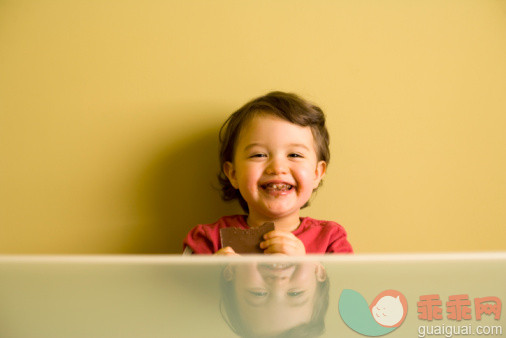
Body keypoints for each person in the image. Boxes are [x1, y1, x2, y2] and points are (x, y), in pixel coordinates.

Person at [183, 91, 352, 255]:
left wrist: (307, 269)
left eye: (294, 155)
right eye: (259, 155)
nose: (277, 168)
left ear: (317, 173)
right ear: (233, 174)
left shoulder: (331, 240)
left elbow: (348, 284)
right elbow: (177, 284)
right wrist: (213, 276)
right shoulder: (208, 239)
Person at [220, 261, 329, 337]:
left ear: (230, 271)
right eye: (295, 293)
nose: (278, 282)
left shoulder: (209, 242)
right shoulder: (331, 239)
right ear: (319, 271)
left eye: (259, 293)